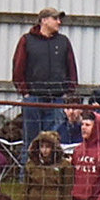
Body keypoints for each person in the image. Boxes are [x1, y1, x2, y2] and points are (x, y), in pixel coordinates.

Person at [13, 8, 81, 145]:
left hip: (57, 99)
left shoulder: (63, 42)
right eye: (55, 19)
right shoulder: (27, 40)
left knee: (53, 141)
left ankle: (51, 167)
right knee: (31, 142)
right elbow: (18, 67)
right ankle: (28, 167)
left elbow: (71, 67)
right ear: (44, 21)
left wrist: (69, 91)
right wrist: (25, 92)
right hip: (33, 98)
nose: (59, 22)